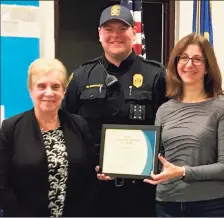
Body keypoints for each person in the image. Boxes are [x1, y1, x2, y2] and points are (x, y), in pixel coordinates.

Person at [61, 4, 167, 217]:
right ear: (99, 34)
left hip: (141, 187)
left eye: (122, 28)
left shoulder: (156, 75)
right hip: (92, 185)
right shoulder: (82, 76)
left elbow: (168, 127)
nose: (115, 35)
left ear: (134, 32)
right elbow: (65, 125)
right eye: (109, 29)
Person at [139, 33, 224, 217]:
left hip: (210, 206)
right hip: (167, 204)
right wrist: (117, 169)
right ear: (176, 64)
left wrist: (182, 172)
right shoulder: (164, 110)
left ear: (208, 67)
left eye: (197, 59)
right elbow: (154, 161)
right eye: (183, 58)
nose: (189, 64)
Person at [0, 58, 96, 217]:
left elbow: (89, 176)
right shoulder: (11, 128)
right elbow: (2, 184)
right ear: (30, 89)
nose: (49, 93)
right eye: (41, 86)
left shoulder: (79, 125)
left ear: (64, 91)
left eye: (56, 86)